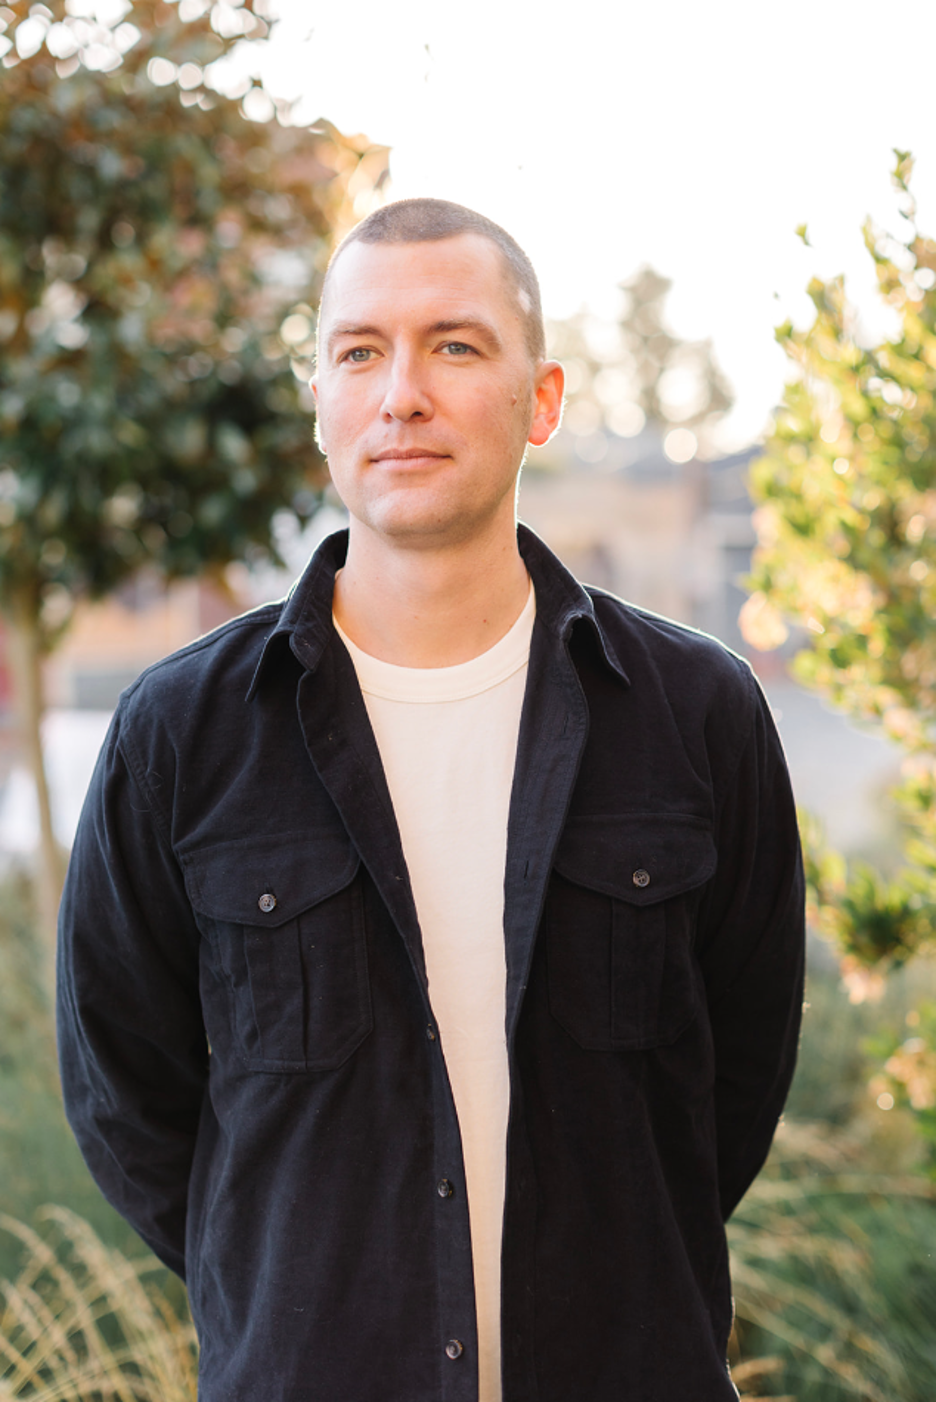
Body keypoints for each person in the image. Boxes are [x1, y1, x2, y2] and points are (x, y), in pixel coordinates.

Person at [57, 198, 805, 1402]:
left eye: (454, 345)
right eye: (360, 351)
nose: (400, 391)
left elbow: (738, 1069)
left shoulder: (696, 713)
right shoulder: (180, 734)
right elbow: (122, 1090)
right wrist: (284, 1276)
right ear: (321, 404)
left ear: (543, 399)